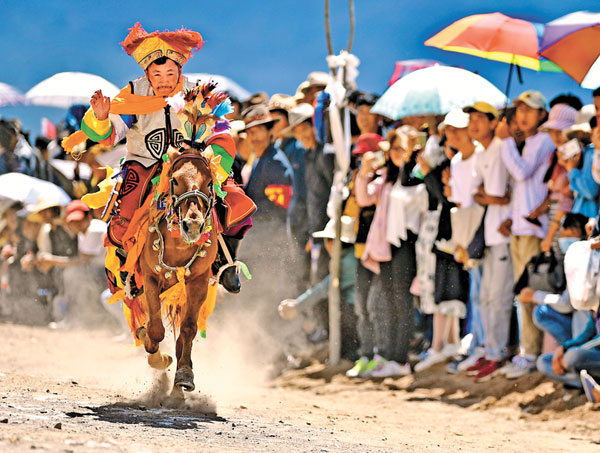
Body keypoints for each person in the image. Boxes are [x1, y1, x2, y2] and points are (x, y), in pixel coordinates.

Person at [61, 23, 254, 296]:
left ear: (180, 70)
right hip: (144, 164)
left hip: (190, 164)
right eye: (157, 73)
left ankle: (225, 263)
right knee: (122, 216)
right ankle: (128, 271)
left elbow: (219, 130)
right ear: (147, 72)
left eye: (170, 73)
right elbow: (113, 134)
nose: (164, 80)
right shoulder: (133, 94)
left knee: (235, 203)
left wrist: (209, 157)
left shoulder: (197, 94)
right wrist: (102, 118)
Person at [354, 125, 427, 377]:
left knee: (403, 302)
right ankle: (389, 357)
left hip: (407, 245)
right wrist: (364, 174)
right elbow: (363, 199)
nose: (397, 153)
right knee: (390, 302)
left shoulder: (417, 175)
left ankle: (401, 358)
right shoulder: (385, 177)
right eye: (394, 148)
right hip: (387, 247)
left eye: (402, 148)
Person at [498, 90, 555, 378]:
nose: (522, 115)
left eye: (529, 110)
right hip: (521, 227)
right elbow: (525, 189)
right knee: (523, 295)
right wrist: (510, 216)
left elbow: (521, 174)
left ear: (542, 115)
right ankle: (528, 351)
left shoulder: (542, 140)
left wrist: (507, 140)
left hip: (534, 230)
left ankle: (532, 353)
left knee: (530, 294)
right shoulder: (528, 142)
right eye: (519, 109)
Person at [461, 102, 513, 382]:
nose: (474, 124)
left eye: (481, 118)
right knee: (485, 298)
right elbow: (477, 194)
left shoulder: (502, 147)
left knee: (499, 297)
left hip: (503, 235)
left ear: (494, 122)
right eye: (472, 118)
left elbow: (503, 191)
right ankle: (488, 350)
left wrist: (496, 199)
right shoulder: (482, 152)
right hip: (487, 235)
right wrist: (491, 197)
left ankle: (498, 353)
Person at [278, 216, 359, 361]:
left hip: (354, 313)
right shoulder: (349, 257)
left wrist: (298, 305)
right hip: (355, 311)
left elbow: (324, 289)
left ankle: (349, 354)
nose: (326, 245)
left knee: (324, 304)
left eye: (328, 240)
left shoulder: (347, 262)